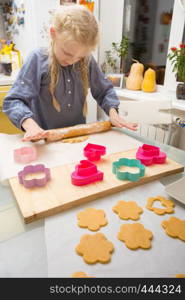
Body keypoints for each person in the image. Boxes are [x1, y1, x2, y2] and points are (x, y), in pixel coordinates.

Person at [3, 4, 137, 142]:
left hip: (77, 140)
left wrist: (113, 113)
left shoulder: (87, 61)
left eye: (79, 57)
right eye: (67, 53)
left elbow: (104, 91)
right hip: (44, 143)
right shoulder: (37, 59)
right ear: (53, 34)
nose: (72, 61)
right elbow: (13, 101)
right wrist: (31, 126)